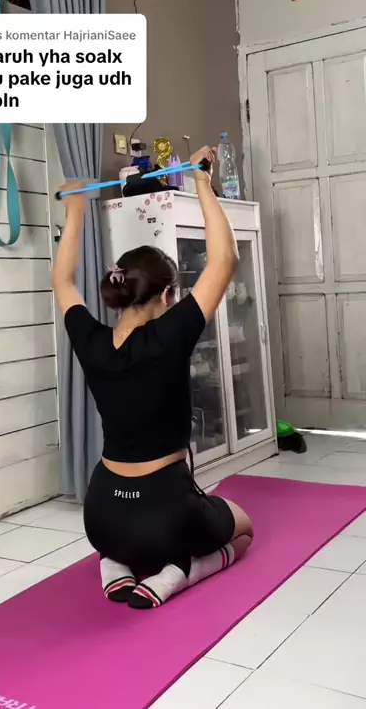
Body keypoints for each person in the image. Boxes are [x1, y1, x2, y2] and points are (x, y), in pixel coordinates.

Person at [53, 146, 253, 609]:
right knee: (243, 527)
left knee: (127, 535)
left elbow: (62, 282)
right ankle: (182, 571)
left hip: (101, 515)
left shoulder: (90, 339)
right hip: (166, 516)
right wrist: (202, 181)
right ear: (166, 295)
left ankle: (115, 563)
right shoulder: (170, 335)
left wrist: (75, 209)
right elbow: (224, 260)